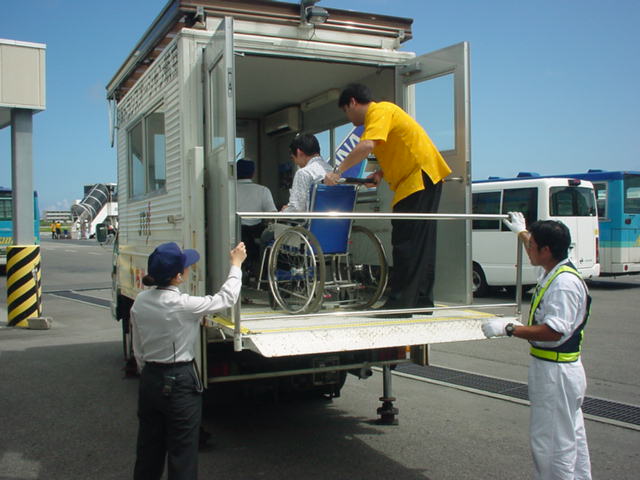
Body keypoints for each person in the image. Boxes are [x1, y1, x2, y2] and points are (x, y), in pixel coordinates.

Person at [325, 83, 452, 317]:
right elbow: (397, 147)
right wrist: (380, 174)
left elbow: (366, 146)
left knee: (406, 241)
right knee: (421, 243)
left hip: (418, 179)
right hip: (424, 176)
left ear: (352, 102)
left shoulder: (379, 110)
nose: (348, 117)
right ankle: (421, 301)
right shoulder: (385, 114)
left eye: (345, 111)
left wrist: (337, 171)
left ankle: (400, 304)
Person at [482, 212, 592, 480]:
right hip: (560, 371)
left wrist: (509, 329)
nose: (528, 249)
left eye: (532, 246)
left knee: (552, 445)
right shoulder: (555, 269)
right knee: (571, 437)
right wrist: (521, 232)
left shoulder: (563, 285)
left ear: (546, 250)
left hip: (556, 374)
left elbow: (554, 331)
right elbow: (534, 247)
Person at [131, 241, 246, 480]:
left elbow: (139, 349)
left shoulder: (140, 301)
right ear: (177, 277)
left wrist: (148, 373)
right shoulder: (183, 305)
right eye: (186, 266)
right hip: (179, 382)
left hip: (150, 379)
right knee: (182, 453)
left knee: (148, 450)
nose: (188, 268)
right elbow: (226, 298)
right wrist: (236, 264)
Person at [236, 159, 276, 278]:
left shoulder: (229, 190)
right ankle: (262, 274)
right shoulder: (263, 190)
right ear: (253, 173)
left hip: (236, 232)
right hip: (256, 233)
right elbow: (273, 214)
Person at [282, 133, 331, 213]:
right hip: (340, 220)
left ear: (299, 152)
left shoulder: (304, 173)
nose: (296, 162)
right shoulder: (332, 171)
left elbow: (297, 209)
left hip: (314, 220)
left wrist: (284, 211)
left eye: (293, 158)